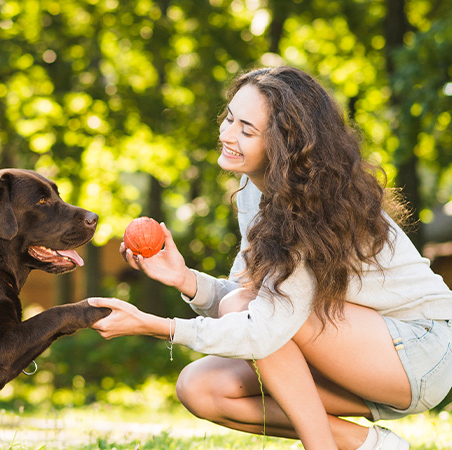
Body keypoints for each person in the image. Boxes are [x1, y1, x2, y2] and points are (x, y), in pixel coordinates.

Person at [88, 66, 452, 450]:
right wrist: (186, 280)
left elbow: (260, 324)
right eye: (229, 118)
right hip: (356, 352)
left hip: (421, 350)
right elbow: (251, 301)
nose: (227, 135)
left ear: (285, 145)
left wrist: (157, 326)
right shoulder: (255, 190)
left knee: (251, 310)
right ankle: (370, 445)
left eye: (246, 130)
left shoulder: (313, 210)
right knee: (201, 388)